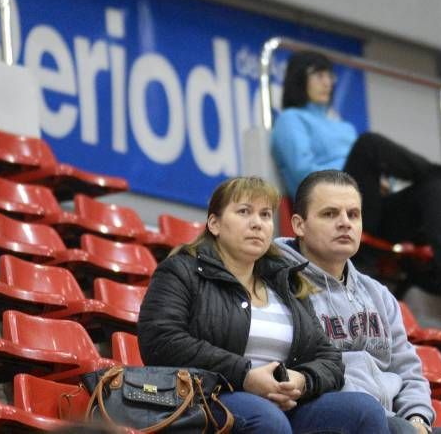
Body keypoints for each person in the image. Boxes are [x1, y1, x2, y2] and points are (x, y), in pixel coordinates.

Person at [138, 176, 389, 434]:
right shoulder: (181, 270)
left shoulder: (286, 281)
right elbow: (160, 340)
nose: (257, 223)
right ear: (214, 223)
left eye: (266, 215)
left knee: (364, 411)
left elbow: (329, 358)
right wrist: (245, 375)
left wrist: (302, 381)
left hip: (284, 405)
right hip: (206, 396)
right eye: (244, 212)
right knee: (268, 420)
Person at [274, 170, 441, 434]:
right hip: (323, 412)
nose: (345, 223)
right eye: (330, 214)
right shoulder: (281, 283)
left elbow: (408, 370)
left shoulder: (378, 294)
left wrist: (418, 418)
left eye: (353, 215)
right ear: (299, 225)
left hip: (390, 420)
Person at [270, 50, 441, 299]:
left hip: (368, 209)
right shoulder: (290, 121)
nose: (328, 82)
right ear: (298, 79)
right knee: (369, 145)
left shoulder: (343, 127)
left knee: (430, 187)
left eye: (329, 75)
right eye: (318, 75)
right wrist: (350, 177)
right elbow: (303, 175)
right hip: (330, 202)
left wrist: (384, 183)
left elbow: (370, 172)